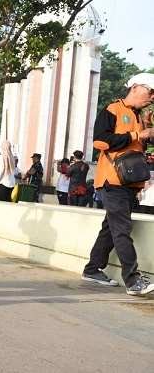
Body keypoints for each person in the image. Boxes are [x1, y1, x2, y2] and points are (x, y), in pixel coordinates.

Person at [82, 73, 154, 295]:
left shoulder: (140, 116)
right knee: (122, 229)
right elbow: (100, 141)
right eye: (150, 91)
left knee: (111, 228)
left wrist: (147, 134)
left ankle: (92, 269)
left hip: (130, 182)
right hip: (112, 180)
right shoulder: (112, 110)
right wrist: (136, 135)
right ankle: (133, 281)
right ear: (135, 88)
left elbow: (138, 144)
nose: (152, 97)